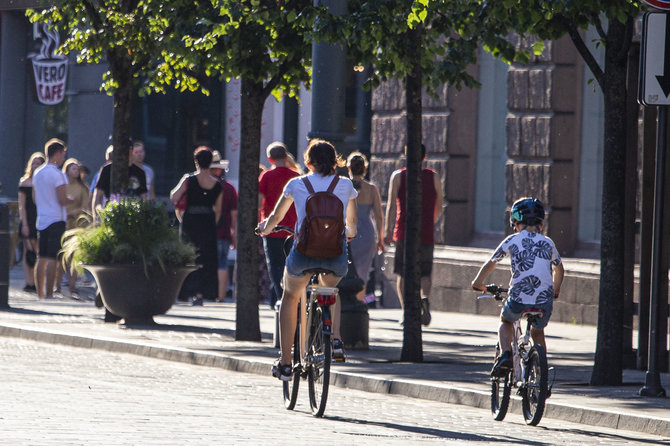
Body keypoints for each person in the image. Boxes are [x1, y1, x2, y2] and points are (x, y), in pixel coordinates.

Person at [257, 139, 358, 381]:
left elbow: (276, 216)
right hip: (335, 256)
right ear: (335, 162)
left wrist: (265, 229)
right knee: (331, 291)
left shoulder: (297, 183)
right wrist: (348, 234)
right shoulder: (345, 185)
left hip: (303, 254)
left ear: (307, 161)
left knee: (290, 296)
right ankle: (334, 340)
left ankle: (285, 363)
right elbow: (352, 226)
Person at [471, 197, 565, 377]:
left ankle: (506, 355)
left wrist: (477, 282)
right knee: (538, 331)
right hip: (543, 300)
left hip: (519, 297)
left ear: (515, 223)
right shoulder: (548, 242)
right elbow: (559, 269)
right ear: (541, 223)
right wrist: (555, 289)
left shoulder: (512, 240)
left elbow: (492, 263)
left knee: (506, 321)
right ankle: (540, 375)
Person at [384, 144, 443, 326]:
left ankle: (405, 310)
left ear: (405, 155)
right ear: (424, 157)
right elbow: (440, 204)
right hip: (425, 230)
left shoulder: (398, 176)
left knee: (402, 271)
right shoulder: (433, 176)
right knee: (425, 271)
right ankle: (424, 297)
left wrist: (387, 231)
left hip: (402, 231)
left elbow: (391, 206)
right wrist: (431, 221)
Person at [170, 146, 223, 305]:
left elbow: (174, 196)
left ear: (196, 162)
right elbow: (218, 209)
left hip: (190, 219)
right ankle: (202, 293)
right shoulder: (217, 184)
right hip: (207, 220)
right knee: (206, 257)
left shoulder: (189, 180)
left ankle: (186, 291)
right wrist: (212, 223)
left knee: (188, 255)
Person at [258, 142, 300, 309]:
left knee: (274, 264)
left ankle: (279, 296)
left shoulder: (266, 176)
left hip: (272, 227)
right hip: (292, 227)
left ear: (270, 158)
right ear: (285, 156)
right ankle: (289, 295)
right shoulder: (296, 175)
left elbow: (259, 201)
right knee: (290, 264)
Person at [32, 138, 72, 299]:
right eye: (63, 154)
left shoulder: (37, 172)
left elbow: (35, 198)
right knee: (53, 258)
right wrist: (72, 199)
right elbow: (62, 199)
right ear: (58, 154)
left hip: (42, 218)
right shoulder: (58, 175)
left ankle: (40, 293)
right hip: (56, 218)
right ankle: (49, 293)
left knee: (41, 258)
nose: (63, 158)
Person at [347, 152, 384, 302]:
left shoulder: (344, 186)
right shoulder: (371, 188)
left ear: (349, 167)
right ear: (365, 168)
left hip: (349, 230)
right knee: (363, 271)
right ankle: (359, 301)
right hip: (367, 233)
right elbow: (379, 215)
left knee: (346, 269)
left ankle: (346, 302)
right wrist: (380, 239)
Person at [55, 158, 90, 297]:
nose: (76, 171)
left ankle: (72, 286)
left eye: (77, 169)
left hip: (76, 225)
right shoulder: (61, 186)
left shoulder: (83, 188)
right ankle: (57, 286)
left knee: (74, 256)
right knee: (60, 255)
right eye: (73, 168)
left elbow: (85, 207)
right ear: (67, 170)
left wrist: (73, 213)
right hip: (61, 223)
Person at [92, 143, 147, 218]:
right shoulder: (107, 170)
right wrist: (97, 217)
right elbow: (98, 196)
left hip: (133, 216)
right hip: (110, 214)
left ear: (132, 151)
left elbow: (144, 198)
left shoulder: (139, 172)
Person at [210, 151, 237, 302]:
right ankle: (220, 295)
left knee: (207, 262)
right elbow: (234, 215)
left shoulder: (203, 184)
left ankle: (207, 293)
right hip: (224, 231)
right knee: (222, 262)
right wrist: (234, 235)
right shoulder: (229, 188)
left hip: (207, 231)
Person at [17, 152, 46, 293]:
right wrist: (25, 224)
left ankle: (37, 281)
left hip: (40, 217)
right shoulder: (24, 182)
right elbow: (21, 205)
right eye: (34, 163)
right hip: (28, 218)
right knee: (27, 251)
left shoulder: (44, 182)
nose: (36, 165)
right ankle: (29, 282)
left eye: (39, 163)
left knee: (38, 251)